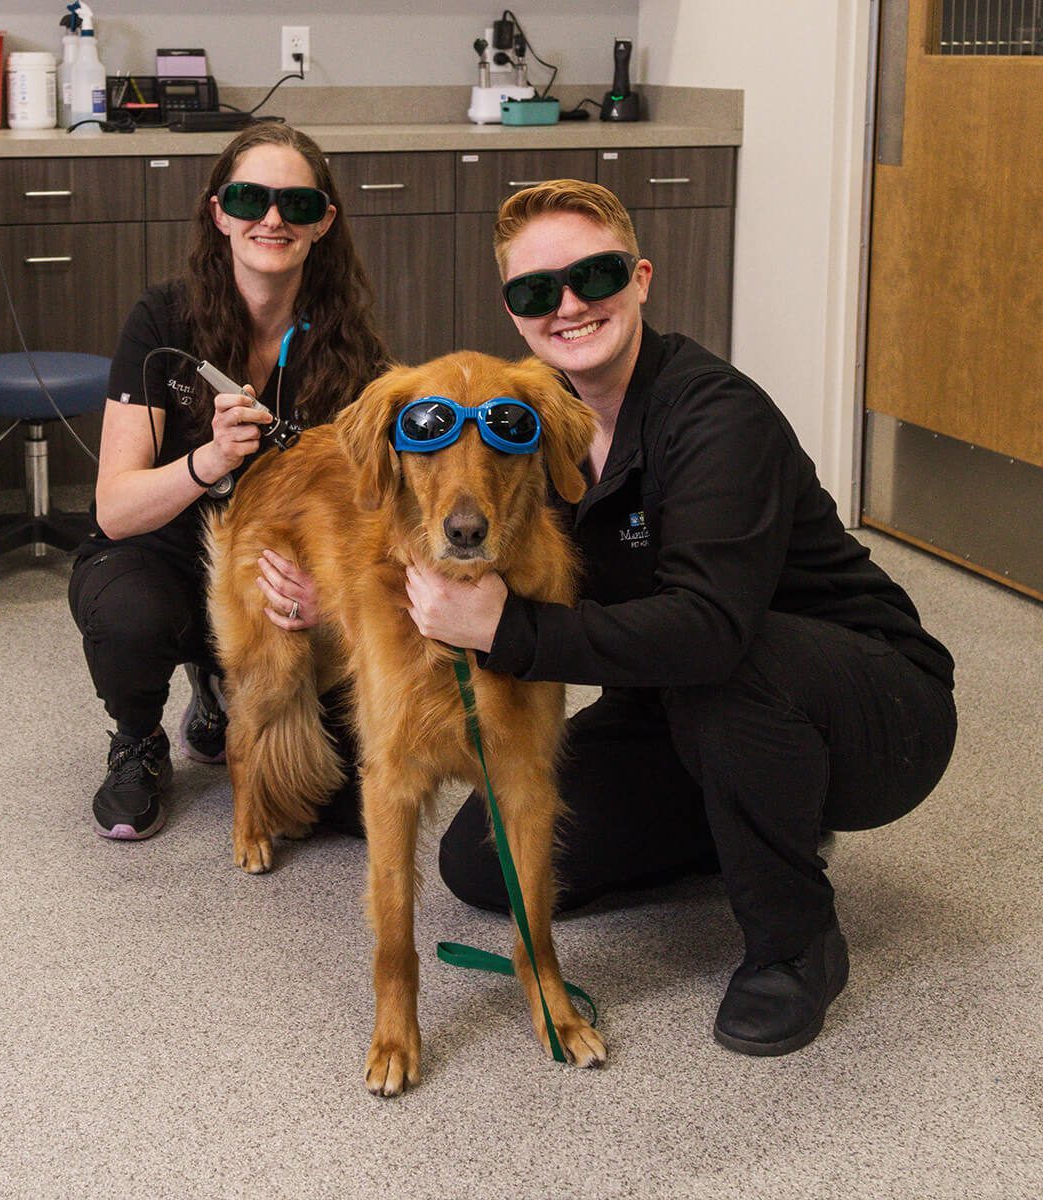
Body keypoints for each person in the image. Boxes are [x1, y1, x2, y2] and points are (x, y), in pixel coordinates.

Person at [404, 179, 957, 1057]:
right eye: (538, 290)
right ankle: (744, 812)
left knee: (722, 666)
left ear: (641, 278)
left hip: (871, 705)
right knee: (481, 860)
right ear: (514, 312)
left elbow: (706, 631)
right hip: (677, 699)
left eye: (595, 275)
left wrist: (510, 633)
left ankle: (795, 943)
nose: (570, 305)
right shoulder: (527, 423)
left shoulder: (716, 414)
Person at [69, 124, 387, 842]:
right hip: (163, 554)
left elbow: (370, 510)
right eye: (249, 199)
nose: (272, 219)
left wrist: (329, 599)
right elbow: (115, 510)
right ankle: (139, 740)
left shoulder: (351, 347)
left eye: (297, 204)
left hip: (273, 576)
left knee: (331, 808)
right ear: (219, 213)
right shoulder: (162, 321)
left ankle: (222, 693)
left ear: (324, 222)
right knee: (129, 618)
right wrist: (208, 462)